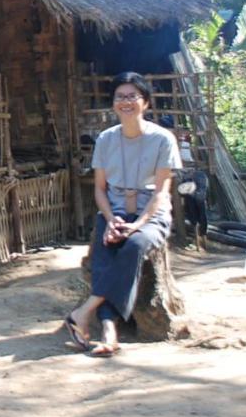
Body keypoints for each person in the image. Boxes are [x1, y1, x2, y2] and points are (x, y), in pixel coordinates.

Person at [65, 71, 182, 356]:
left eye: (133, 96)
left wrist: (136, 225)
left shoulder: (163, 139)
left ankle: (86, 312)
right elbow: (99, 190)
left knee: (134, 245)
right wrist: (111, 219)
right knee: (105, 250)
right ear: (113, 103)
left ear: (146, 103)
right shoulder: (105, 139)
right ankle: (109, 330)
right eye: (120, 96)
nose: (126, 102)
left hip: (150, 216)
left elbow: (160, 193)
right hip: (115, 212)